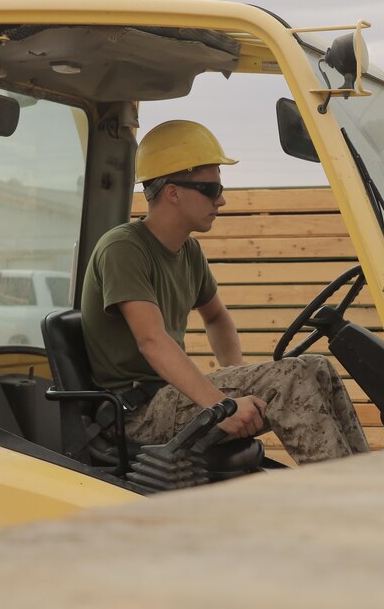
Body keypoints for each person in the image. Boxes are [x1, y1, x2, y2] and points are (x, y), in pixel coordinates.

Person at [80, 120, 369, 464]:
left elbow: (216, 317)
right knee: (290, 377)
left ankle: (366, 480)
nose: (223, 200)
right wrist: (221, 405)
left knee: (317, 367)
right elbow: (152, 340)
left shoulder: (188, 251)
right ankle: (346, 501)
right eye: (211, 189)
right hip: (136, 412)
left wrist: (236, 378)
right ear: (172, 192)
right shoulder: (123, 249)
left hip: (170, 398)